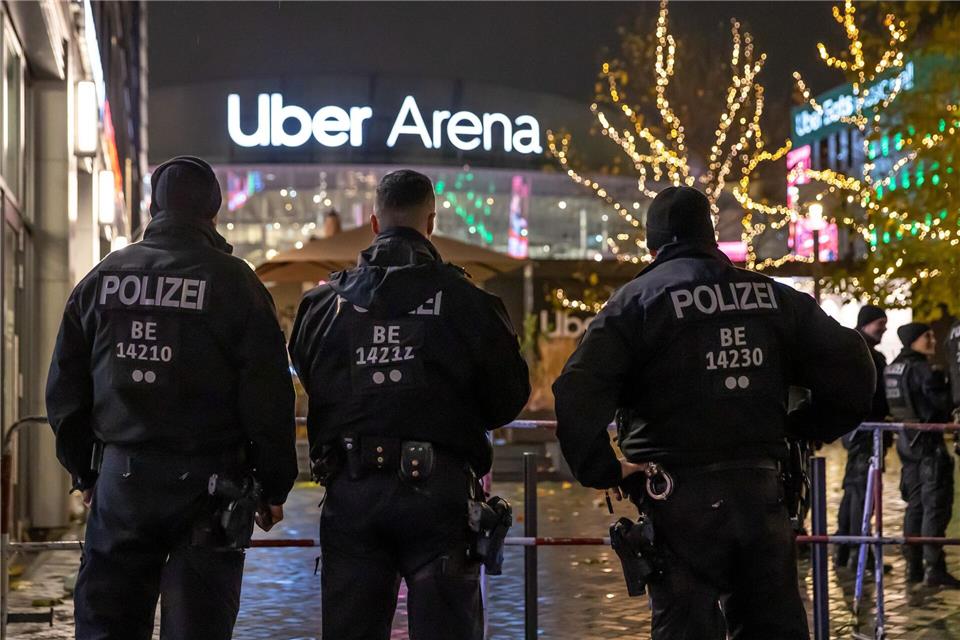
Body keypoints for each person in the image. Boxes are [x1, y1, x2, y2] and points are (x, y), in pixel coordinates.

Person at [553, 185, 875, 640]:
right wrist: (804, 428)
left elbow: (576, 390)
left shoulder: (635, 303)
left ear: (653, 245)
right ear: (712, 238)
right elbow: (852, 366)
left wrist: (604, 469)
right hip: (763, 495)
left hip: (677, 503)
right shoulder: (773, 298)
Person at [46, 156, 299, 640]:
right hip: (209, 488)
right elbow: (268, 395)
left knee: (107, 626)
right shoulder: (235, 283)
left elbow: (65, 388)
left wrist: (84, 471)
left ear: (152, 207)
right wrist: (272, 486)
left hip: (122, 481)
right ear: (214, 212)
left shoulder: (103, 279)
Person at [289, 169, 529, 640]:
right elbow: (508, 398)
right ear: (431, 223)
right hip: (439, 498)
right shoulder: (468, 301)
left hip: (351, 491)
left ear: (375, 223)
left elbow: (308, 375)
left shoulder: (323, 307)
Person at [887, 322, 959, 587]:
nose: (933, 340)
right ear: (914, 340)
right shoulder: (922, 370)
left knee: (915, 505)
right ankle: (934, 568)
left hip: (907, 444)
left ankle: (913, 567)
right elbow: (940, 406)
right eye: (927, 336)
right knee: (935, 507)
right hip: (928, 444)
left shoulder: (893, 367)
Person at [834, 305, 890, 569]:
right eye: (880, 323)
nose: (884, 329)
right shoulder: (867, 354)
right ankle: (860, 551)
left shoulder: (850, 349)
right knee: (863, 491)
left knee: (852, 488)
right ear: (867, 323)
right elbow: (876, 396)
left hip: (854, 427)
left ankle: (844, 549)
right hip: (867, 429)